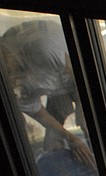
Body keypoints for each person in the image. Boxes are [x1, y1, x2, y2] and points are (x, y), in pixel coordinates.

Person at [1, 19, 94, 168]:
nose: (12, 81)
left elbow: (80, 75)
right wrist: (72, 139)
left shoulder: (43, 48)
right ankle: (65, 166)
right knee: (53, 139)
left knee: (90, 124)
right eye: (8, 79)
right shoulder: (12, 87)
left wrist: (82, 106)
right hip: (55, 86)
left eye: (10, 72)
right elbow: (40, 114)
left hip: (77, 80)